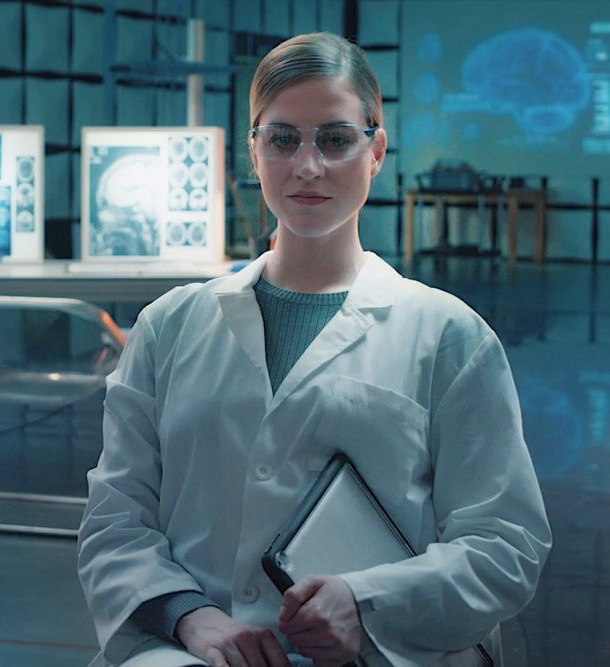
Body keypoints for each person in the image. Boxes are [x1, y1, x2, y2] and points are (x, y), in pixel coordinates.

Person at [78, 32, 551, 667]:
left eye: (334, 139)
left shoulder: (448, 337)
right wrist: (189, 616)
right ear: (254, 151)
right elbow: (115, 517)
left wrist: (366, 600)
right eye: (282, 139)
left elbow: (505, 544)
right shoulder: (169, 325)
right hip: (193, 653)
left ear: (376, 150)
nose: (307, 166)